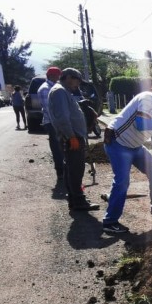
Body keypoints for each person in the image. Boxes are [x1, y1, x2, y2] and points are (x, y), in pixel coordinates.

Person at [101, 82, 152, 234]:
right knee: (122, 181)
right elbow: (140, 124)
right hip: (118, 142)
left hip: (136, 146)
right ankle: (110, 221)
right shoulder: (147, 99)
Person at [48, 68, 99, 212]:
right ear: (69, 77)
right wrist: (71, 136)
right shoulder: (59, 92)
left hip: (73, 136)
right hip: (72, 137)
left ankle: (75, 199)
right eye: (77, 80)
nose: (78, 84)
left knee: (72, 170)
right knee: (75, 171)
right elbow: (62, 118)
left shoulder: (63, 92)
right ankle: (78, 201)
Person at [38, 66, 64, 178]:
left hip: (57, 122)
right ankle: (60, 172)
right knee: (57, 149)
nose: (59, 78)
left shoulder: (54, 87)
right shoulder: (45, 89)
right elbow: (50, 110)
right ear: (52, 76)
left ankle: (64, 169)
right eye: (58, 75)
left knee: (62, 147)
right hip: (53, 123)